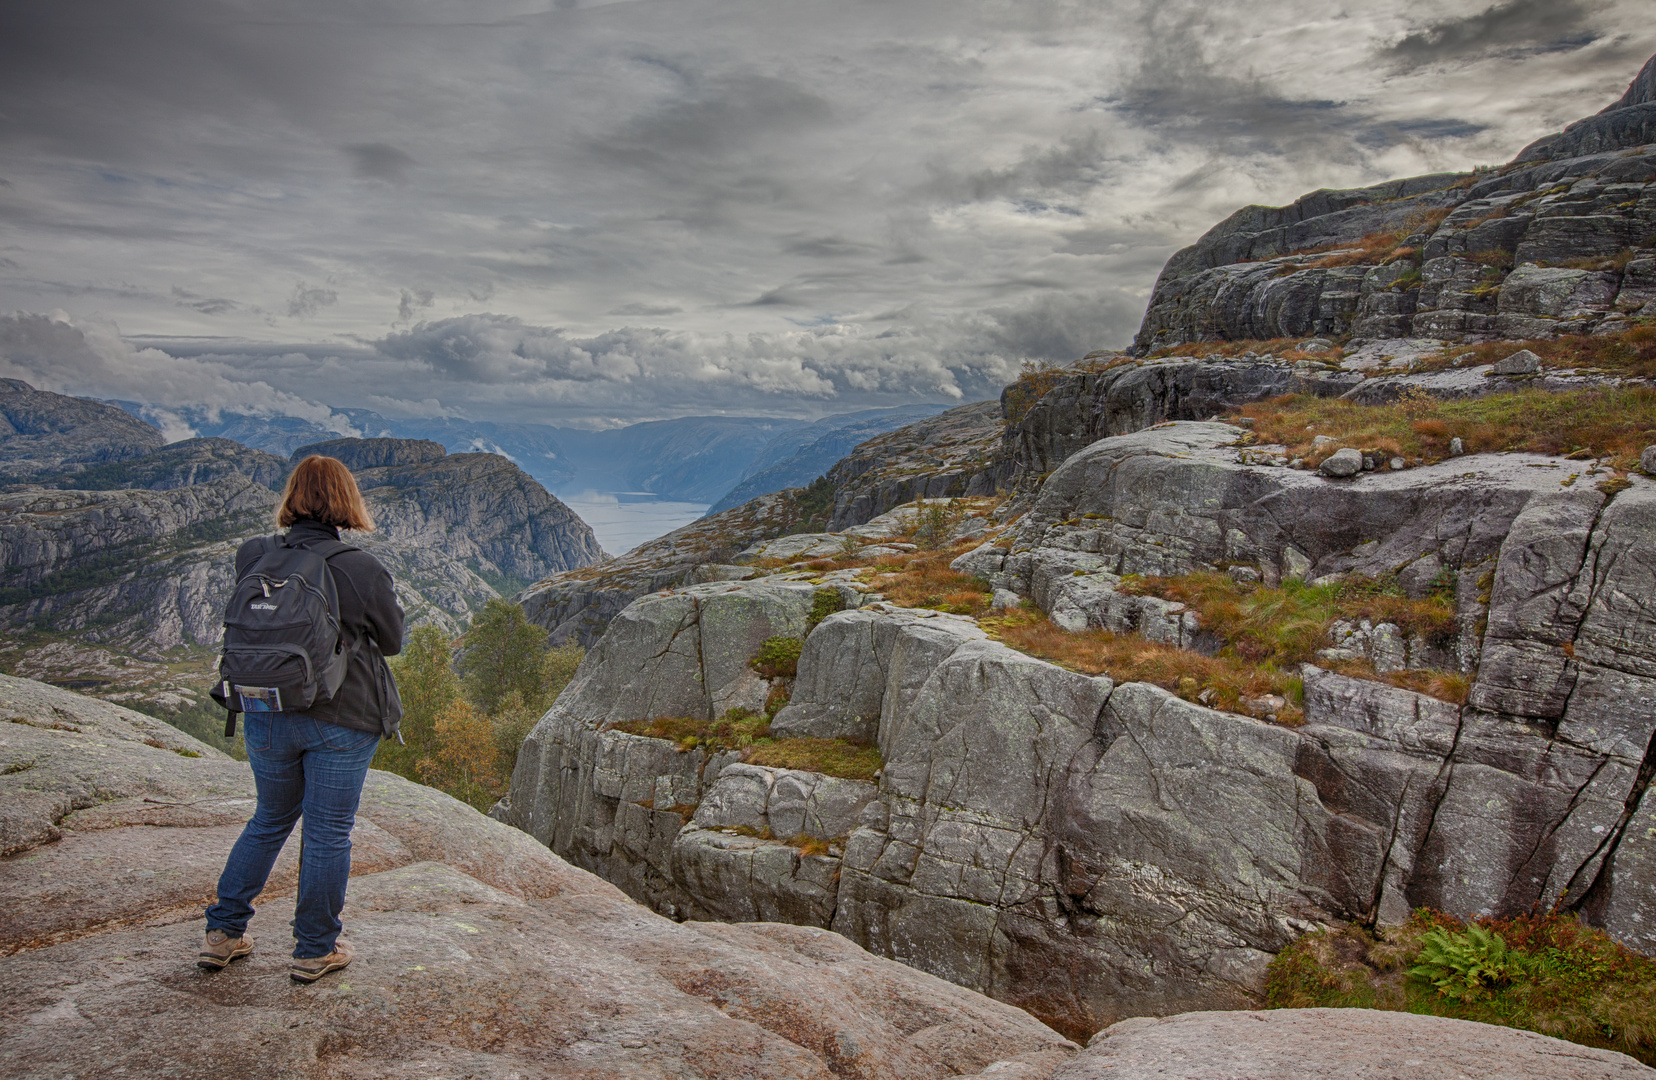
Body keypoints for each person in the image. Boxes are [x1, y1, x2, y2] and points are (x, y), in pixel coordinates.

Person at [198, 455, 404, 982]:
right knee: (328, 832)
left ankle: (223, 934)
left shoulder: (254, 554)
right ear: (347, 500)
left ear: (291, 496)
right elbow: (393, 641)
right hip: (342, 716)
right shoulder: (358, 568)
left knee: (269, 819)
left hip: (265, 707)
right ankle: (314, 949)